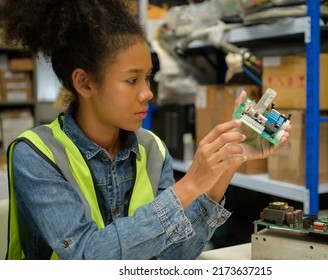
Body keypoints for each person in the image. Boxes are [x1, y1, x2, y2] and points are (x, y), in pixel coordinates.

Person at [1, 0, 290, 260]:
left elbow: (172, 257)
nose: (147, 93)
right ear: (85, 83)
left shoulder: (152, 149)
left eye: (148, 77)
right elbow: (86, 257)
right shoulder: (36, 155)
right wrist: (189, 185)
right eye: (131, 81)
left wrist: (229, 161)